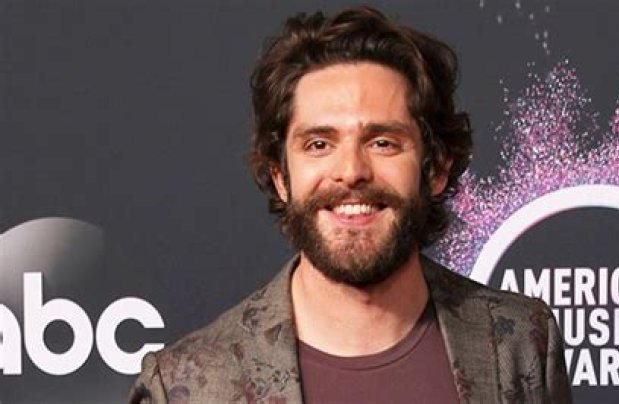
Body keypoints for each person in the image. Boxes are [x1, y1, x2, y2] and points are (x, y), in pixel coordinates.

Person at [129, 6, 572, 403]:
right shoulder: (190, 385)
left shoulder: (519, 342)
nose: (351, 171)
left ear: (436, 169)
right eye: (319, 144)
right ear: (281, 177)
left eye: (382, 142)